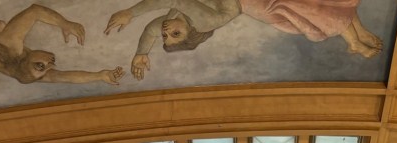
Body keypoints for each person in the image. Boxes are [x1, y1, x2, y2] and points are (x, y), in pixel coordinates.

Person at [105, 0, 382, 82]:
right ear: (191, 33)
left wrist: (141, 52)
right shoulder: (202, 21)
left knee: (323, 5)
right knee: (316, 10)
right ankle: (354, 42)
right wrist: (131, 12)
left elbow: (153, 29)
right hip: (258, 3)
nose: (167, 31)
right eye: (174, 35)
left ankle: (358, 32)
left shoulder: (179, 18)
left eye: (168, 35)